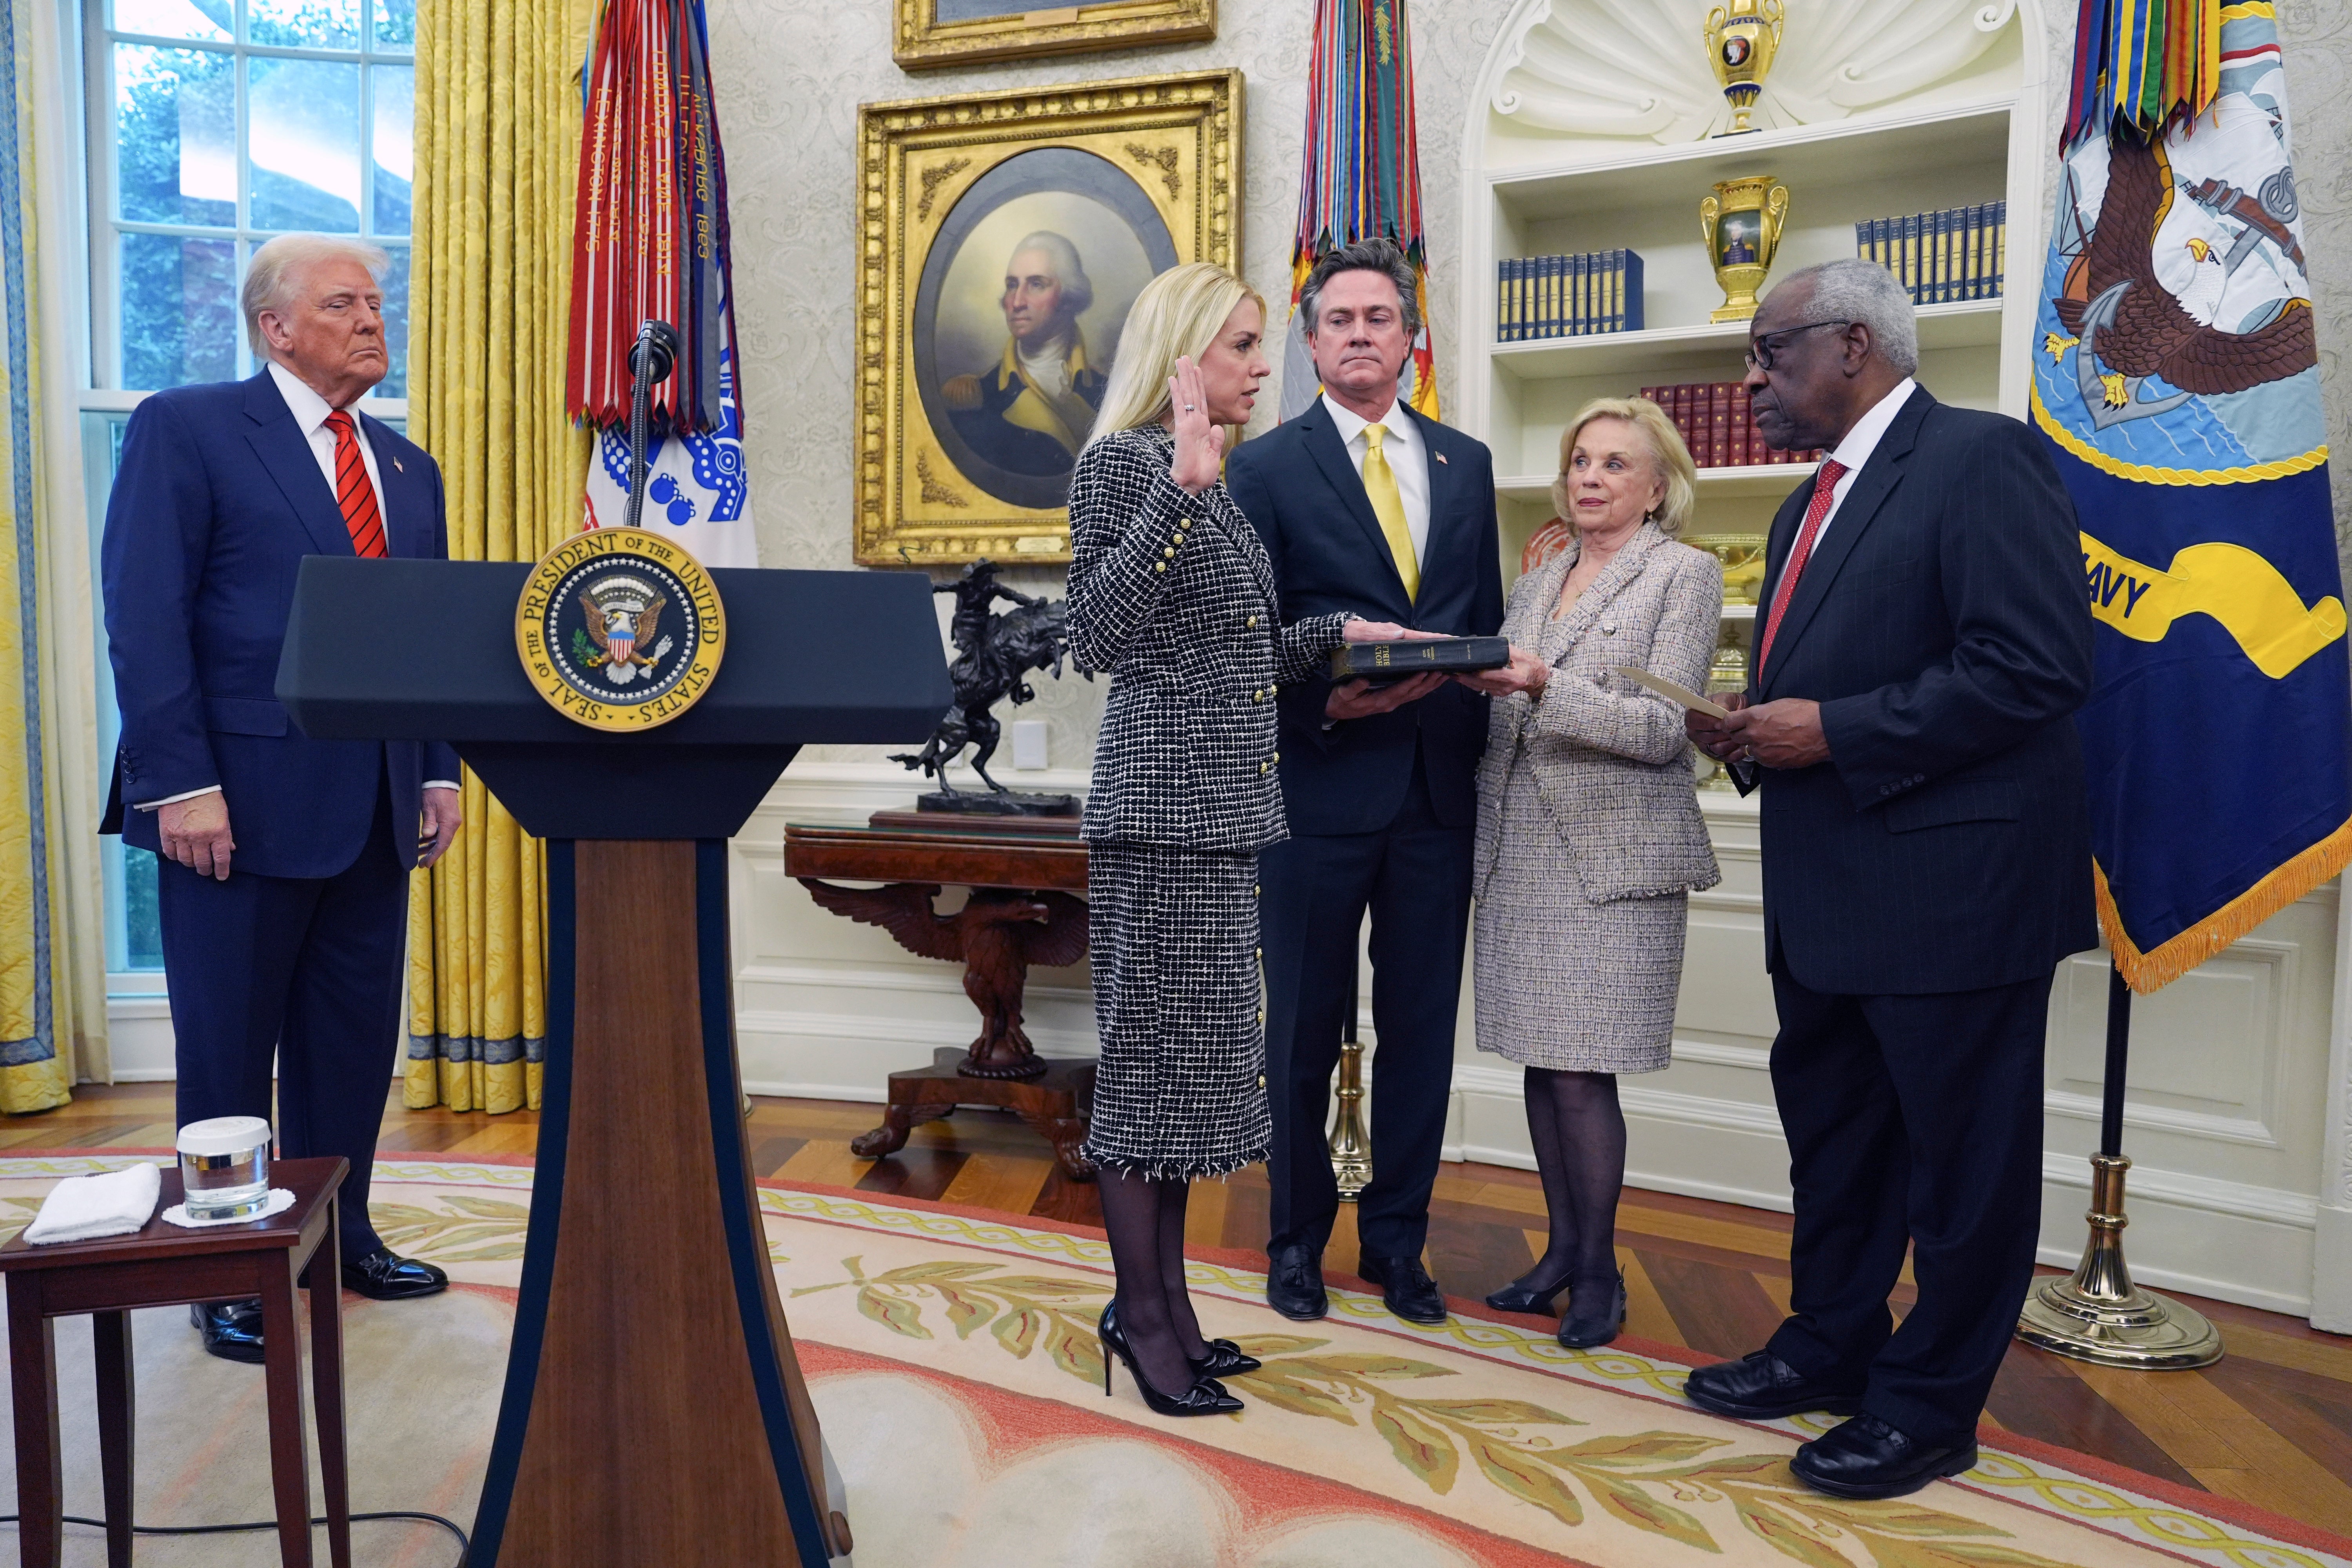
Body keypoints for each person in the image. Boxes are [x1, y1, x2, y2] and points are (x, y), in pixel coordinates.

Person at [1684, 258, 2094, 1499]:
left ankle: (1926, 1407)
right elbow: (1832, 686)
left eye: (1768, 352)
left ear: (1851, 344)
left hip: (1952, 898)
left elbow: (2033, 668)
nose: (1749, 378)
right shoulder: (1796, 506)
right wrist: (1749, 727)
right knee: (1837, 1144)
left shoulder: (1978, 459)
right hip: (1826, 897)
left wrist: (1836, 731)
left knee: (1961, 1170)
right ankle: (1829, 1342)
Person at [100, 234, 466, 1363]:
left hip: (372, 807)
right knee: (229, 1050)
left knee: (350, 1045)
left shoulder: (408, 468)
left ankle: (342, 1232)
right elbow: (146, 615)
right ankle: (226, 1264)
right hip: (233, 808)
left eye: (376, 301)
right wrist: (181, 785)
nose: (371, 319)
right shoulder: (191, 427)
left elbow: (427, 638)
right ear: (276, 327)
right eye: (344, 303)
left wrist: (439, 765)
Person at [1064, 261, 1408, 1416]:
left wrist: (1330, 636)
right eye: (1246, 346)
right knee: (1143, 1089)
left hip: (1223, 821)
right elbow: (1099, 635)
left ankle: (1162, 1305)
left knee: (1185, 1084)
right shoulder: (1124, 466)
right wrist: (1178, 486)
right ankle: (1142, 1320)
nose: (1266, 366)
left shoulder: (1216, 485)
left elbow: (1226, 651)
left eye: (1264, 347)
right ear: (1183, 360)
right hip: (1158, 824)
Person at [1224, 238, 1514, 1328]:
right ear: (1310, 344)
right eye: (1337, 320)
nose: (1359, 334)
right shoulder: (1263, 469)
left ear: (1410, 337)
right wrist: (1318, 704)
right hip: (1314, 787)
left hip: (1438, 794)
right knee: (1297, 1028)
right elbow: (1243, 639)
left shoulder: (1466, 465)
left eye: (1378, 318)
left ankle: (1400, 1245)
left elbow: (1477, 619)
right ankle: (1295, 1242)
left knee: (1422, 1032)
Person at [1465, 397, 1722, 1349]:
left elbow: (1665, 731)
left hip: (1613, 863)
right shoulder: (1538, 579)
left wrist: (1542, 684)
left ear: (1658, 489)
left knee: (1584, 1077)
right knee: (1543, 1064)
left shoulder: (1685, 576)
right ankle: (1561, 1256)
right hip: (1522, 850)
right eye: (1580, 459)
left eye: (1617, 463)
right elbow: (1504, 709)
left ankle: (1603, 1273)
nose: (1591, 477)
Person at [944, 230, 1107, 476]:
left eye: (1036, 284)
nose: (1017, 302)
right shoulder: (974, 397)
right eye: (1012, 285)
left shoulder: (1107, 390)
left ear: (1068, 297)